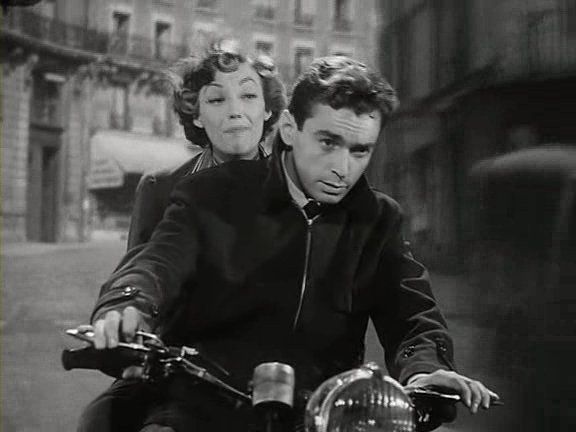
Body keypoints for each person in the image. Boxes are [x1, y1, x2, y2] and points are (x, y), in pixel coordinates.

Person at [80, 56, 498, 431]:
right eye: (328, 142)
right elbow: (157, 262)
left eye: (360, 150)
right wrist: (128, 304)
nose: (342, 168)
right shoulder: (209, 194)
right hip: (203, 404)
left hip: (326, 413)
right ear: (289, 129)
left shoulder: (377, 219)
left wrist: (424, 370)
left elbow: (412, 313)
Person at [127, 40, 286, 249]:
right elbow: (137, 265)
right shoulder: (158, 189)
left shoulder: (291, 192)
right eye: (217, 100)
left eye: (248, 96)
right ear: (196, 115)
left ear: (267, 110)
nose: (235, 111)